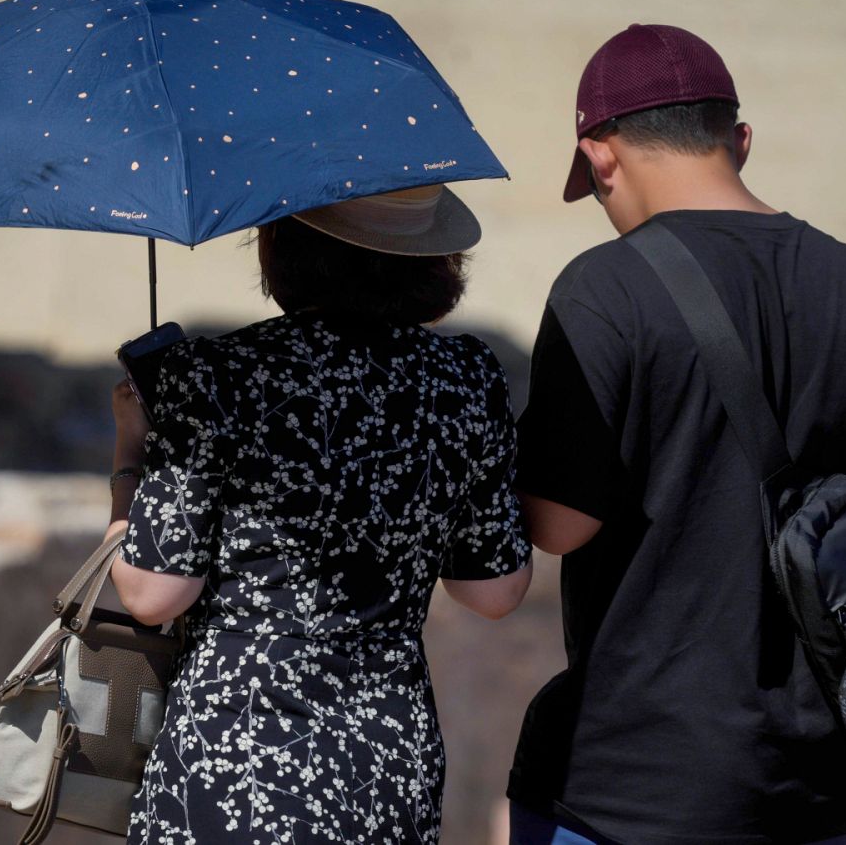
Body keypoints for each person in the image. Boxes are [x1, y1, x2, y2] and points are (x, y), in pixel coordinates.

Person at [507, 25, 846, 845]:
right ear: (740, 141)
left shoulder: (602, 292)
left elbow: (556, 525)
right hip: (815, 792)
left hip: (627, 789)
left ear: (601, 156)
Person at [104, 184, 534, 845]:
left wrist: (130, 453)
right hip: (384, 763)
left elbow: (152, 593)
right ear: (429, 258)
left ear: (284, 243)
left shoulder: (217, 374)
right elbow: (494, 590)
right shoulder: (467, 378)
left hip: (233, 758)